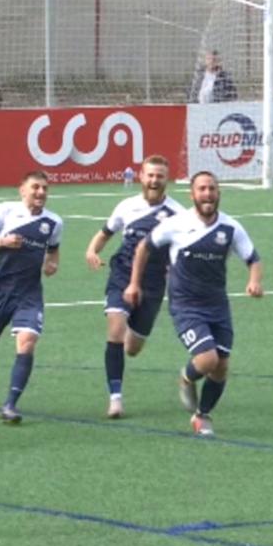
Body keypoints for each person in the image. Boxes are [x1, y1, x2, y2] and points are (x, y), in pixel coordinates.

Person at [124, 171, 262, 437]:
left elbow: (253, 258)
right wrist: (134, 283)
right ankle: (186, 378)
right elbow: (144, 247)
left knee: (221, 366)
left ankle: (202, 416)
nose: (207, 194)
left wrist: (254, 281)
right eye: (202, 189)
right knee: (207, 359)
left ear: (218, 193)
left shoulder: (230, 227)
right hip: (186, 305)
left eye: (212, 189)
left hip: (218, 305)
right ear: (193, 194)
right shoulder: (176, 224)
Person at [84, 155, 184, 418]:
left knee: (132, 348)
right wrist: (92, 250)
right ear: (141, 176)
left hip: (152, 285)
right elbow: (105, 232)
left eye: (159, 176)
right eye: (150, 175)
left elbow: (184, 252)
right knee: (115, 331)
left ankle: (131, 331)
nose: (154, 180)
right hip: (122, 275)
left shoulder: (178, 214)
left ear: (166, 179)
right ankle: (115, 399)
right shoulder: (126, 206)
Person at [0, 171, 63, 424]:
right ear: (22, 190)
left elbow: (53, 252)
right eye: (36, 188)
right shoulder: (4, 212)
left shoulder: (54, 223)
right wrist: (1, 242)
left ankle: (10, 405)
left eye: (45, 188)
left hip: (29, 293)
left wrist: (52, 265)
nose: (41, 193)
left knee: (27, 341)